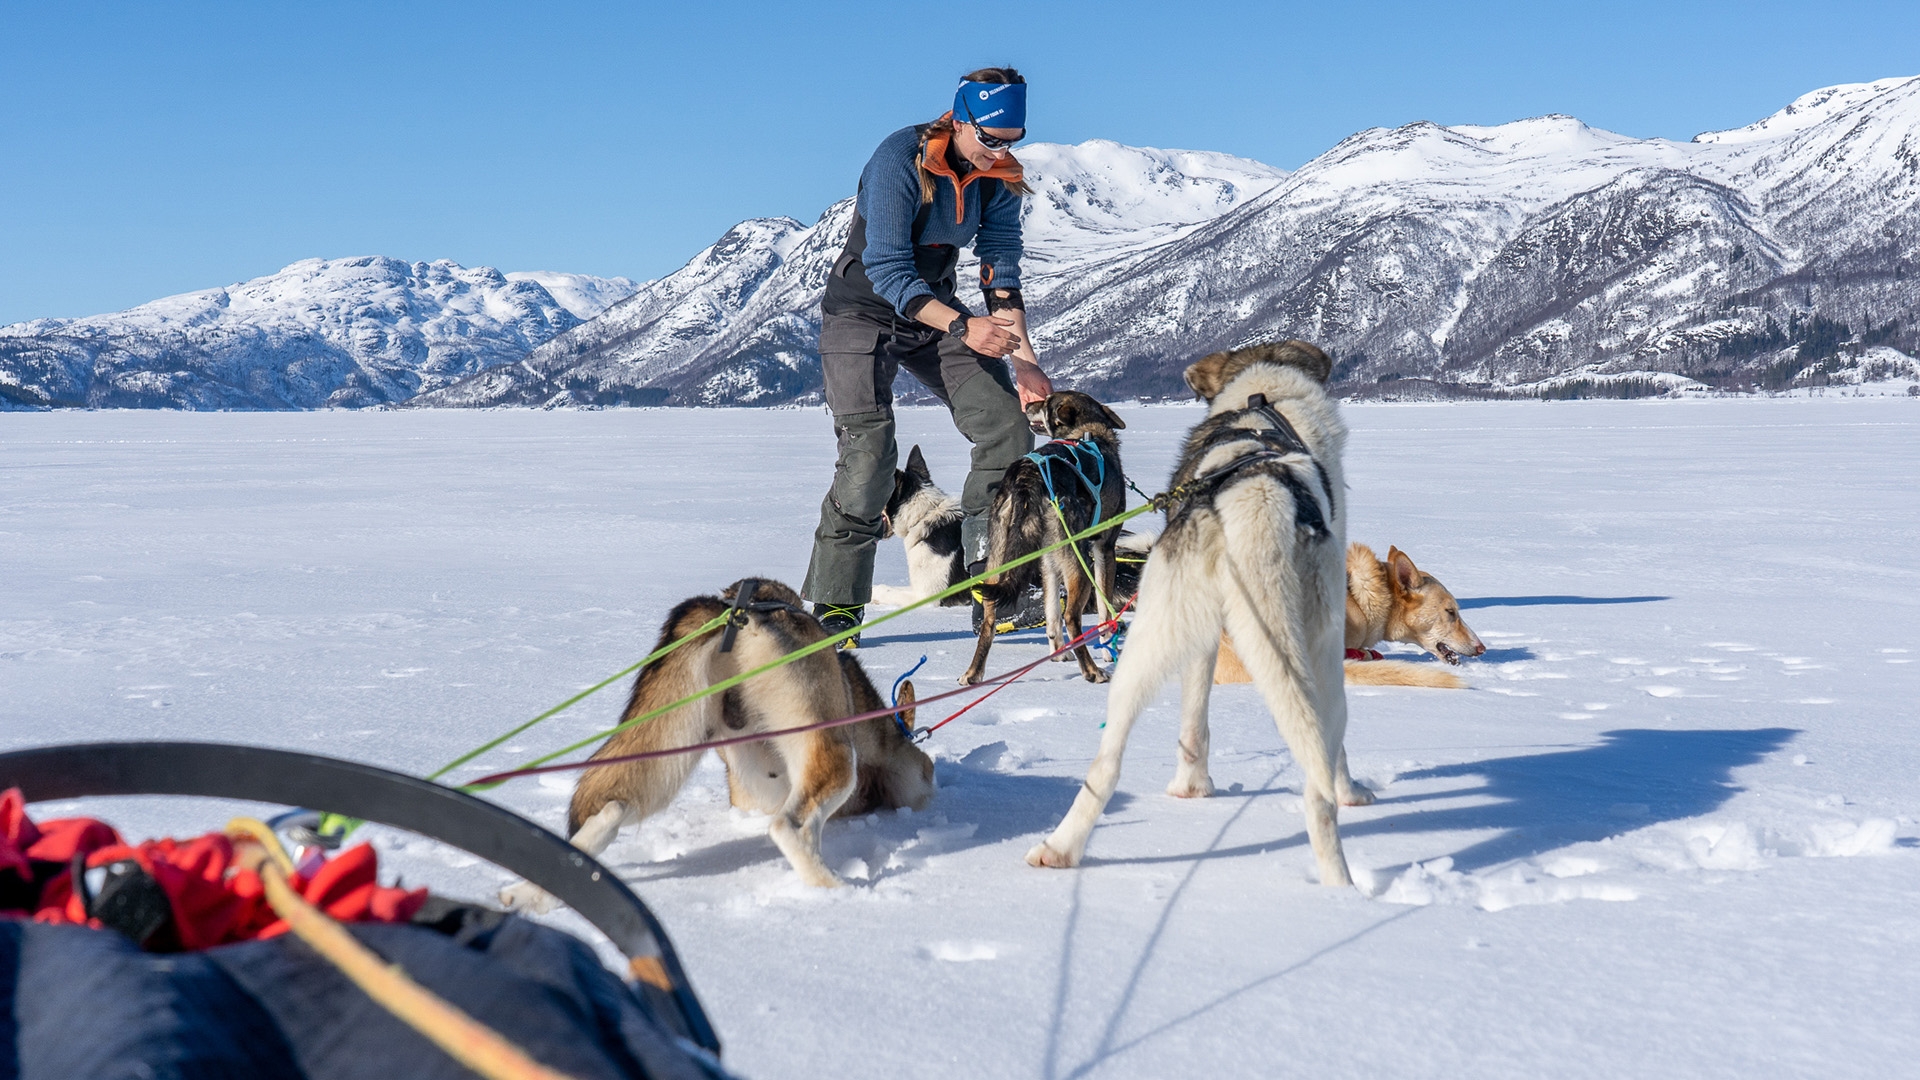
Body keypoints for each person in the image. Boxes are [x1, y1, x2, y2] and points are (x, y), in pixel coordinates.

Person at [802, 67, 1053, 646]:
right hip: (862, 315)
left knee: (1007, 426)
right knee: (868, 458)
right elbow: (887, 268)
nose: (1000, 153)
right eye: (990, 139)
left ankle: (996, 582)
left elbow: (1001, 272)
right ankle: (838, 607)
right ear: (959, 119)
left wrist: (1025, 362)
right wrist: (965, 327)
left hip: (935, 314)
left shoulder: (997, 178)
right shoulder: (899, 160)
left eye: (1012, 141)